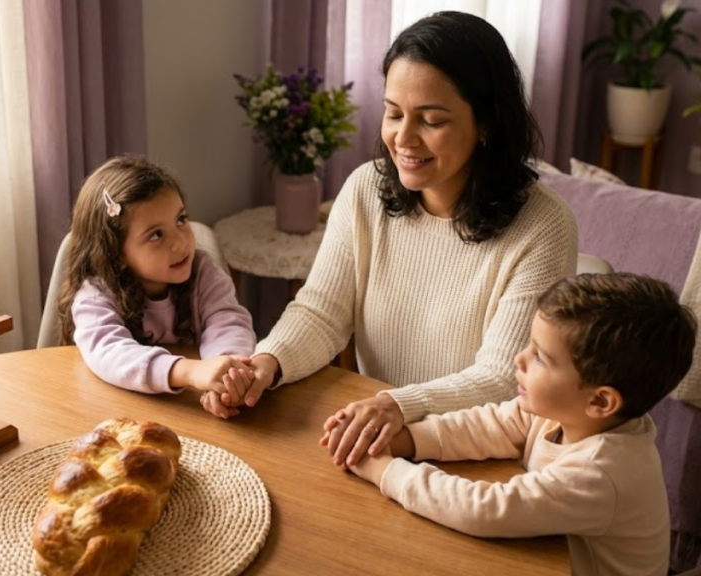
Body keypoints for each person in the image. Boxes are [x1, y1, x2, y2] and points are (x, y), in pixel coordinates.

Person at [225, 11, 579, 443]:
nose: (403, 139)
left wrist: (398, 404)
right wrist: (268, 362)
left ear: (487, 122)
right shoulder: (365, 190)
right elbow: (321, 311)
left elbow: (503, 379)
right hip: (375, 434)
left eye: (431, 120)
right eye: (394, 114)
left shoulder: (544, 227)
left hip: (473, 447)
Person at [327, 273, 696, 576]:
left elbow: (485, 509)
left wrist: (385, 470)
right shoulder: (567, 413)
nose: (519, 359)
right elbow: (488, 425)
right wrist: (402, 439)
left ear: (599, 401)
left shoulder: (602, 472)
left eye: (540, 358)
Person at [58, 155, 256, 418]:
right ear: (116, 253)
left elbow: (228, 322)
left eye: (181, 220)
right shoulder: (95, 296)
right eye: (156, 234)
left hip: (189, 416)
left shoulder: (204, 273)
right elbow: (109, 353)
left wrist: (226, 378)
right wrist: (190, 371)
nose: (180, 243)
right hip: (117, 415)